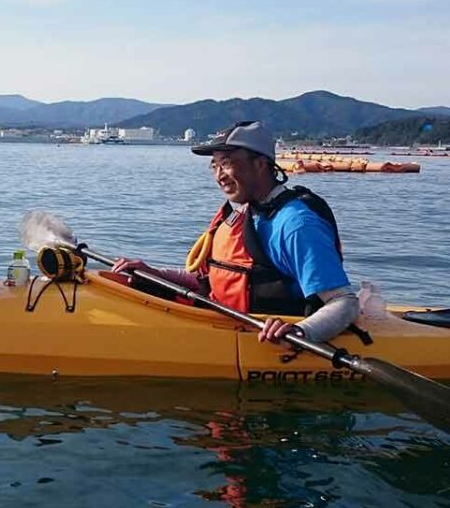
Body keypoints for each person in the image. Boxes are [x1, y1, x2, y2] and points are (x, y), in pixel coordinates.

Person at [113, 121, 359, 344]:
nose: (220, 176)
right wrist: (153, 273)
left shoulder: (296, 224)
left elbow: (344, 302)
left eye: (227, 164)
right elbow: (208, 280)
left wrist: (300, 332)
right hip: (223, 323)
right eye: (215, 166)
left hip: (268, 340)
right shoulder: (245, 212)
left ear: (261, 164)